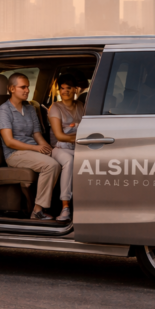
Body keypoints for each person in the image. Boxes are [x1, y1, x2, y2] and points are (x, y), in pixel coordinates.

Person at [0, 72, 61, 220]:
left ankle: (64, 207)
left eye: (28, 87)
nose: (27, 90)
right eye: (23, 87)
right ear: (12, 89)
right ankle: (37, 211)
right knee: (51, 165)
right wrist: (36, 149)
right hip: (15, 153)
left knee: (65, 159)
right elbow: (9, 141)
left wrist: (48, 149)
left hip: (33, 150)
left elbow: (37, 135)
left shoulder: (30, 109)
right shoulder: (3, 110)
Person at [47, 73, 85, 222]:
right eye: (62, 88)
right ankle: (65, 207)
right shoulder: (55, 107)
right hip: (59, 148)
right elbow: (60, 136)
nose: (65, 92)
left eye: (68, 88)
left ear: (75, 90)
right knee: (69, 161)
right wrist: (79, 138)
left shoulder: (80, 106)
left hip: (79, 147)